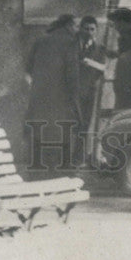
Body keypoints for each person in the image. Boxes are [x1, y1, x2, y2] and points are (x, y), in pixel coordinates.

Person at [24, 13, 84, 175]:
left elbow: (28, 67)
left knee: (41, 131)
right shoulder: (70, 43)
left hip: (40, 97)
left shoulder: (40, 40)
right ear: (68, 26)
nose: (77, 30)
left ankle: (39, 171)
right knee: (62, 133)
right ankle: (61, 172)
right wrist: (75, 99)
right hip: (61, 98)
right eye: (76, 26)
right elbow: (72, 75)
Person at [76, 15, 109, 159]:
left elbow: (104, 68)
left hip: (89, 92)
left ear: (96, 30)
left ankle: (80, 156)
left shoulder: (100, 49)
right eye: (86, 28)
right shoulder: (73, 46)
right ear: (80, 29)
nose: (89, 32)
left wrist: (90, 63)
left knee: (85, 124)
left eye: (92, 29)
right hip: (73, 92)